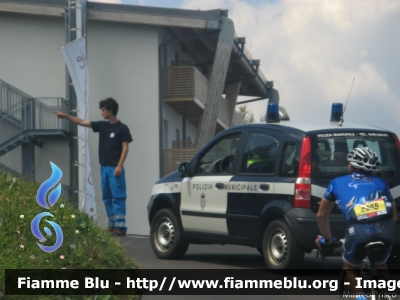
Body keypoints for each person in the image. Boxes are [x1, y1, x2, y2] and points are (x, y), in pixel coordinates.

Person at [315, 147, 397, 300]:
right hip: (385, 230)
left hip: (357, 232)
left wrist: (326, 240)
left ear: (350, 167)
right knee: (381, 264)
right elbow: (393, 217)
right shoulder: (381, 183)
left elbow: (321, 215)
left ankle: (360, 297)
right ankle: (390, 294)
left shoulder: (336, 182)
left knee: (351, 267)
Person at [54, 97, 133, 236]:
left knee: (118, 197)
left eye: (103, 110)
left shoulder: (122, 128)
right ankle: (112, 225)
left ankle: (120, 227)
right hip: (104, 168)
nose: (101, 113)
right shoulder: (103, 126)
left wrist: (119, 165)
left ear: (111, 110)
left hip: (115, 168)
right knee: (107, 197)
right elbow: (83, 122)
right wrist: (66, 116)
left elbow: (125, 148)